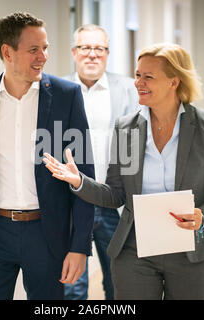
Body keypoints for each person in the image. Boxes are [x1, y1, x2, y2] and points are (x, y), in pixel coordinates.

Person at [43, 43, 204, 300]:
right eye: (137, 75)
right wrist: (79, 181)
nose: (138, 82)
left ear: (174, 81)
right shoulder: (126, 128)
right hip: (134, 252)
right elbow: (115, 195)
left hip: (194, 252)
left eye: (148, 76)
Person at [0, 12, 95, 300]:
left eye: (45, 48)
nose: (44, 56)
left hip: (47, 233)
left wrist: (79, 246)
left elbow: (85, 176)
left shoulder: (67, 96)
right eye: (34, 50)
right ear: (7, 52)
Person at [63, 24, 138, 300]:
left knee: (119, 284)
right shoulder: (55, 89)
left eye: (99, 48)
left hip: (113, 202)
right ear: (74, 52)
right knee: (72, 287)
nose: (92, 55)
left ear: (107, 53)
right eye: (85, 48)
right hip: (72, 202)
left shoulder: (129, 89)